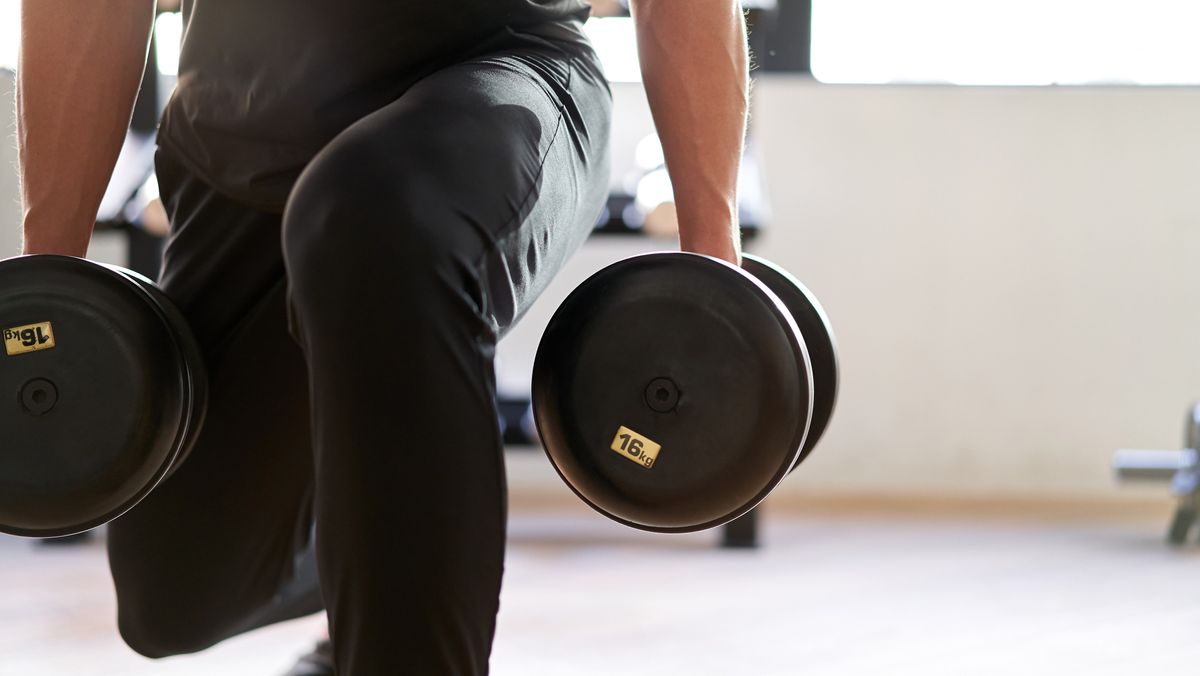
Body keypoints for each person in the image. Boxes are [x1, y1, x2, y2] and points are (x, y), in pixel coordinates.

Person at [16, 0, 749, 673]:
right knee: (171, 599)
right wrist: (46, 292)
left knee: (377, 220)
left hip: (502, 81)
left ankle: (398, 616)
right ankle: (389, 548)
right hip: (241, 142)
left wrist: (715, 269)